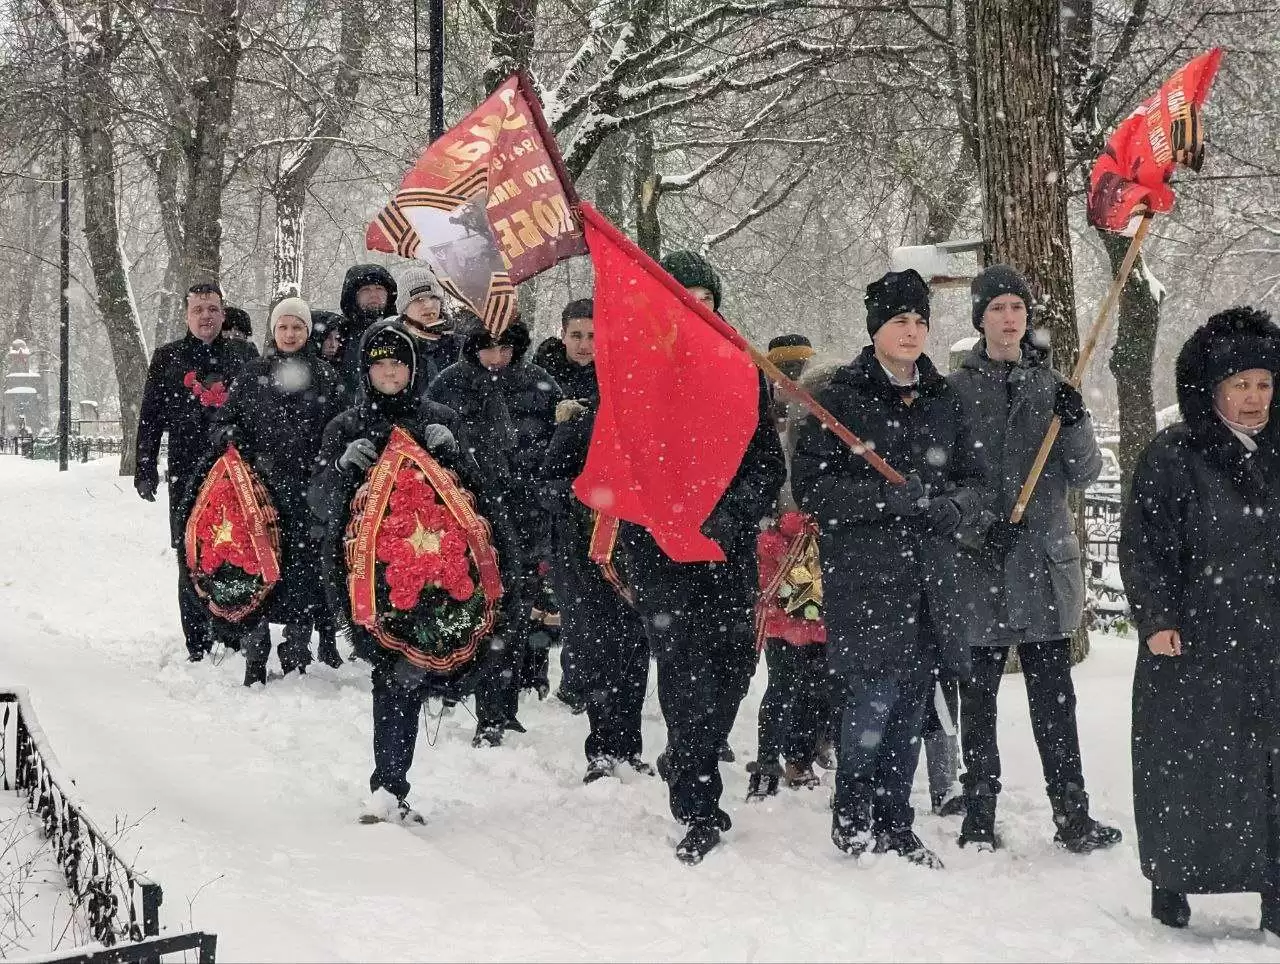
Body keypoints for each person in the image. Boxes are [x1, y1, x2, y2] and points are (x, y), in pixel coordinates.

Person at [791, 268, 987, 869]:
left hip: (931, 579)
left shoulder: (944, 397)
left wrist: (953, 507)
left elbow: (974, 479)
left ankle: (897, 824)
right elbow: (813, 490)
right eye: (900, 320)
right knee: (871, 702)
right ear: (876, 327)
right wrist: (884, 502)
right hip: (868, 578)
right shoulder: (839, 398)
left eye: (921, 321)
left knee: (910, 707)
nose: (912, 332)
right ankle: (854, 818)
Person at [309, 319, 521, 825]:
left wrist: (454, 457)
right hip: (375, 578)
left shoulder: (439, 419)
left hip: (443, 573)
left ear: (412, 368)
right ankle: (388, 784)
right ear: (366, 369)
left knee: (430, 672)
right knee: (393, 679)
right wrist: (341, 471)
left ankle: (412, 768)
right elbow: (317, 503)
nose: (390, 372)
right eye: (380, 363)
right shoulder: (345, 426)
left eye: (398, 362)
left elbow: (482, 494)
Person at [947, 264, 1121, 853]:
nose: (1008, 317)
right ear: (980, 319)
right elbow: (940, 477)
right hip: (981, 567)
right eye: (996, 307)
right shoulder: (955, 390)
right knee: (979, 700)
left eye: (1016, 307)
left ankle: (1072, 814)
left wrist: (1075, 423)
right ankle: (978, 812)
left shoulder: (1053, 387)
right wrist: (976, 527)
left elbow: (1086, 472)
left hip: (1044, 568)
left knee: (1054, 701)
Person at [622, 249, 786, 864]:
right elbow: (630, 462)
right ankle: (696, 798)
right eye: (682, 296)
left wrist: (733, 512)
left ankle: (693, 749)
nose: (695, 307)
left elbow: (767, 460)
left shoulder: (744, 369)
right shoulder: (641, 371)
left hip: (730, 548)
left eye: (704, 297)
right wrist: (672, 516)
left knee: (733, 669)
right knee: (684, 670)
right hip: (664, 552)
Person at [1120, 306, 1280, 934]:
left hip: (1269, 641)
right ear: (1212, 390)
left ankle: (1274, 888)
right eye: (1240, 384)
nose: (1253, 398)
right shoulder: (1173, 455)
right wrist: (1155, 617)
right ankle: (1174, 880)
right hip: (1193, 641)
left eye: (1265, 383)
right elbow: (1143, 545)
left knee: (1269, 769)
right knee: (1185, 767)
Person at [427, 313, 562, 745]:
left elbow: (562, 441)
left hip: (525, 513)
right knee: (474, 606)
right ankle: (468, 695)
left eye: (506, 348)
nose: (497, 357)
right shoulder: (449, 385)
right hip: (469, 510)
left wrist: (540, 480)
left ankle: (503, 706)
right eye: (488, 347)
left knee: (516, 612)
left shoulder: (539, 383)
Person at [211, 297, 344, 684]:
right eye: (283, 327)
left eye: (297, 327)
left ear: (307, 332)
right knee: (259, 567)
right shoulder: (253, 375)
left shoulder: (325, 377)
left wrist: (327, 468)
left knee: (301, 572)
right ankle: (256, 649)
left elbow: (339, 430)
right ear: (273, 331)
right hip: (260, 490)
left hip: (308, 491)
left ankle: (297, 649)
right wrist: (230, 435)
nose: (290, 334)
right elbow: (222, 423)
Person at [135, 282, 255, 661]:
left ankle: (234, 630)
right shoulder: (167, 358)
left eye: (213, 309)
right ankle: (198, 641)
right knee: (189, 555)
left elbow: (258, 412)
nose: (206, 316)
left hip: (234, 473)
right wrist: (145, 467)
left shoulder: (244, 355)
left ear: (223, 313)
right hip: (187, 474)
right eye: (198, 309)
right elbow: (151, 418)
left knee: (235, 548)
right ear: (187, 314)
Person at [541, 394, 654, 783]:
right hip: (588, 557)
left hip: (639, 558)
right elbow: (548, 483)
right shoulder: (581, 425)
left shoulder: (652, 424)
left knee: (636, 655)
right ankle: (603, 747)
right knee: (599, 654)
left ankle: (630, 746)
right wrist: (582, 495)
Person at [748, 334, 829, 799]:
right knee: (784, 673)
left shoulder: (823, 424)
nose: (794, 384)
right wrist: (777, 528)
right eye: (786, 373)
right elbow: (757, 487)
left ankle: (801, 752)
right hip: (778, 563)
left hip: (819, 560)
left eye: (803, 372)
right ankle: (767, 759)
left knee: (817, 670)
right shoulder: (759, 426)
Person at [335, 264, 398, 401]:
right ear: (353, 296)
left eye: (379, 288)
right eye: (366, 290)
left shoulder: (401, 331)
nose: (374, 295)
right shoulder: (338, 333)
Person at [395, 265, 459, 385]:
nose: (429, 305)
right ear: (404, 307)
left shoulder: (463, 346)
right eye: (419, 299)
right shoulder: (390, 348)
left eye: (433, 297)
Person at [534, 299, 597, 402]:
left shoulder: (612, 375)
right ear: (563, 336)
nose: (584, 345)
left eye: (592, 336)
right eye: (576, 336)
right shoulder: (540, 371)